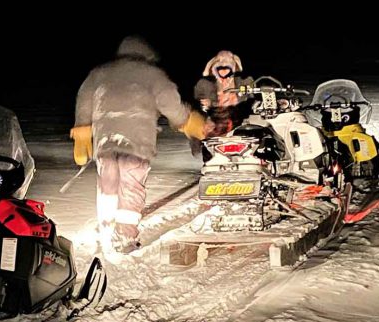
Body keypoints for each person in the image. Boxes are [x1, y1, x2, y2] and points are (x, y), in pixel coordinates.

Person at [70, 35, 207, 253]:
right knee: (131, 187)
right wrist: (187, 121)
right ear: (147, 55)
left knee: (108, 186)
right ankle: (125, 236)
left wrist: (82, 132)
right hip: (137, 142)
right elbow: (170, 103)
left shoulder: (100, 73)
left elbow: (84, 100)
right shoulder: (152, 75)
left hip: (105, 141)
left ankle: (105, 229)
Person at [192, 50, 253, 159]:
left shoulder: (244, 82)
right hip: (215, 121)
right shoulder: (205, 85)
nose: (224, 75)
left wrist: (238, 101)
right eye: (221, 70)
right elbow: (195, 105)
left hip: (238, 121)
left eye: (227, 70)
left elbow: (252, 101)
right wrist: (207, 105)